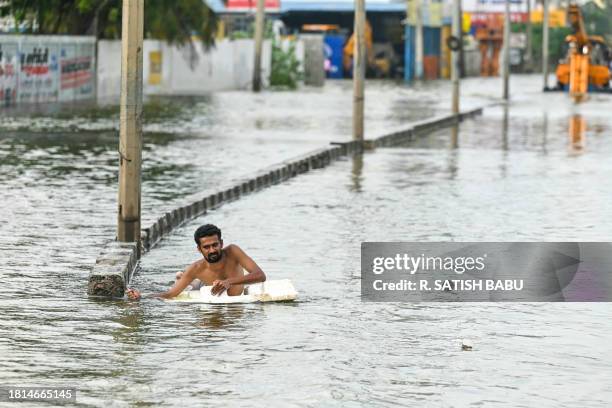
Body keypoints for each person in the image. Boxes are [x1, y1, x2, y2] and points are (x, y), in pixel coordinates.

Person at [126, 224, 266, 300]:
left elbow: (260, 275)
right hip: (203, 286)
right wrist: (142, 296)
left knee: (191, 281)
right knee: (188, 286)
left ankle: (185, 278)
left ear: (221, 243)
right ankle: (184, 279)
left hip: (230, 288)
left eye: (215, 245)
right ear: (199, 249)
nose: (212, 250)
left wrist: (229, 281)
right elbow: (170, 294)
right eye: (206, 247)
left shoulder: (233, 251)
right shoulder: (196, 268)